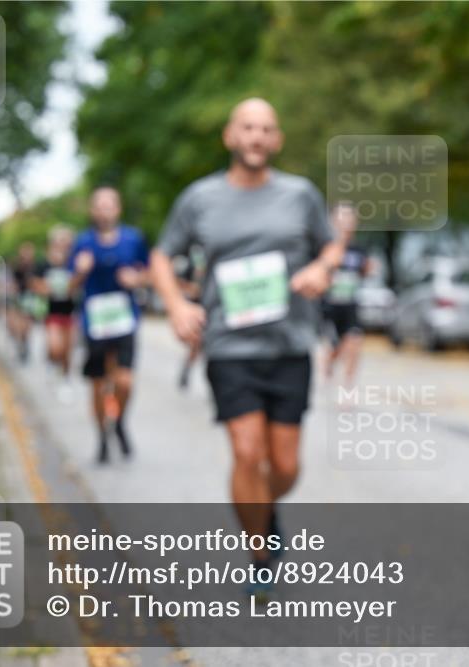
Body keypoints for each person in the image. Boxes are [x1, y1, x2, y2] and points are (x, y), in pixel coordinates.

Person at [151, 98, 343, 598]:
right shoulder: (200, 199)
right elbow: (160, 254)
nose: (256, 136)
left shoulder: (300, 195)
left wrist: (322, 269)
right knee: (246, 450)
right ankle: (259, 553)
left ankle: (265, 509)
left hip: (290, 343)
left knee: (284, 466)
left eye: (266, 129)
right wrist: (175, 305)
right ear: (230, 136)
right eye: (247, 127)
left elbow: (331, 244)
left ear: (276, 140)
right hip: (229, 344)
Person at [70, 187, 150, 464]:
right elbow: (68, 286)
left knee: (124, 381)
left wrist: (137, 279)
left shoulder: (133, 239)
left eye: (110, 205)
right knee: (98, 384)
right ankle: (102, 438)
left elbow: (150, 272)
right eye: (99, 205)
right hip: (95, 321)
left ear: (118, 208)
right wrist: (80, 272)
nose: (105, 210)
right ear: (93, 210)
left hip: (125, 319)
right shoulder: (82, 242)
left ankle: (119, 422)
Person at [320, 203, 369, 387]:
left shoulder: (359, 249)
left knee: (354, 345)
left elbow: (363, 272)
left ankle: (348, 389)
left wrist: (368, 270)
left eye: (350, 217)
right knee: (336, 347)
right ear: (333, 221)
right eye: (342, 217)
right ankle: (328, 365)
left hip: (351, 304)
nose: (346, 221)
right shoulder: (326, 247)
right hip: (329, 306)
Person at [31, 225, 77, 402]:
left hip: (70, 312)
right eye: (61, 241)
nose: (64, 245)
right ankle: (51, 363)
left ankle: (65, 380)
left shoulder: (73, 263)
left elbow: (79, 283)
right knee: (55, 347)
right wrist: (48, 289)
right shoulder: (43, 263)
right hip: (51, 313)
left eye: (67, 242)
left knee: (67, 351)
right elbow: (35, 284)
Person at [172, 252, 203, 390]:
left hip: (214, 309)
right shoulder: (191, 263)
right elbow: (179, 282)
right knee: (197, 344)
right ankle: (187, 367)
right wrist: (192, 289)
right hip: (196, 308)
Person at [7, 242, 38, 363]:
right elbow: (13, 285)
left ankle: (25, 345)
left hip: (31, 299)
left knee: (26, 327)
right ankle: (21, 345)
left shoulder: (35, 267)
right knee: (17, 326)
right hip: (19, 299)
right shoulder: (17, 268)